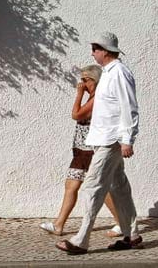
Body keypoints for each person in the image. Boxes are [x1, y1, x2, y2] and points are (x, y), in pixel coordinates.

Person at [56, 32, 141, 255]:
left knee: (93, 186)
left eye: (94, 48)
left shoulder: (119, 73)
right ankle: (131, 234)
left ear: (104, 50)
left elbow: (129, 107)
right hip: (103, 139)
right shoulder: (108, 73)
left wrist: (127, 139)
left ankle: (81, 239)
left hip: (111, 141)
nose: (92, 53)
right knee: (119, 187)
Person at [39, 65, 125, 236]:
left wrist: (79, 94)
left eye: (86, 80)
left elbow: (76, 115)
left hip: (91, 150)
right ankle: (59, 224)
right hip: (81, 150)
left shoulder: (98, 98)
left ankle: (122, 222)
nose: (82, 84)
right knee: (71, 184)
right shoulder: (92, 97)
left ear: (95, 81)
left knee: (102, 188)